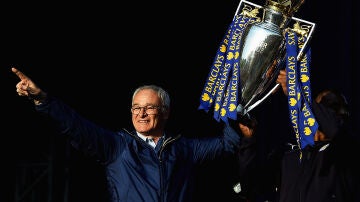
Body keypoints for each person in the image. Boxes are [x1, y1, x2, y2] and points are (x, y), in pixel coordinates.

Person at [11, 67, 256, 202]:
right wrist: (42, 99)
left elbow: (226, 144)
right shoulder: (117, 147)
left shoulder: (184, 149)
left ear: (165, 112)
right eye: (136, 108)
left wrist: (238, 117)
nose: (141, 113)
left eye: (149, 107)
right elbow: (76, 126)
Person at [256, 69, 360, 202]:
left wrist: (296, 93)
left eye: (331, 105)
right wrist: (249, 140)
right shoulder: (291, 157)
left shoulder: (346, 153)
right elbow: (253, 188)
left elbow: (336, 130)